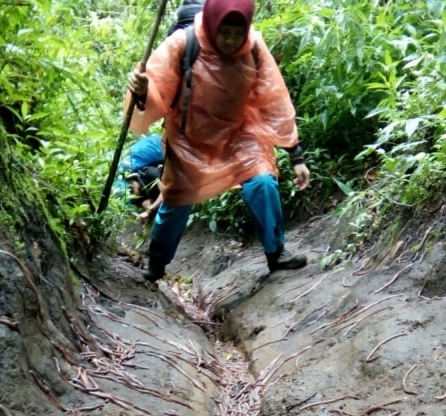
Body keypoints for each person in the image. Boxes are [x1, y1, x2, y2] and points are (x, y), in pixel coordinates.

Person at [126, 0, 310, 283]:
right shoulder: (182, 44)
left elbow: (275, 103)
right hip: (189, 140)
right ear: (212, 24)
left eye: (238, 34)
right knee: (176, 202)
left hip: (241, 136)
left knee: (262, 182)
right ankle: (157, 264)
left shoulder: (254, 48)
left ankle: (277, 254)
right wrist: (141, 91)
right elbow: (155, 94)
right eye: (225, 32)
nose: (231, 41)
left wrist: (295, 155)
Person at [119, 134, 164, 223]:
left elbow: (166, 191)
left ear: (131, 180)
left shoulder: (147, 172)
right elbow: (145, 203)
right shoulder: (135, 196)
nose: (131, 192)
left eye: (130, 189)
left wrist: (150, 210)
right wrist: (147, 212)